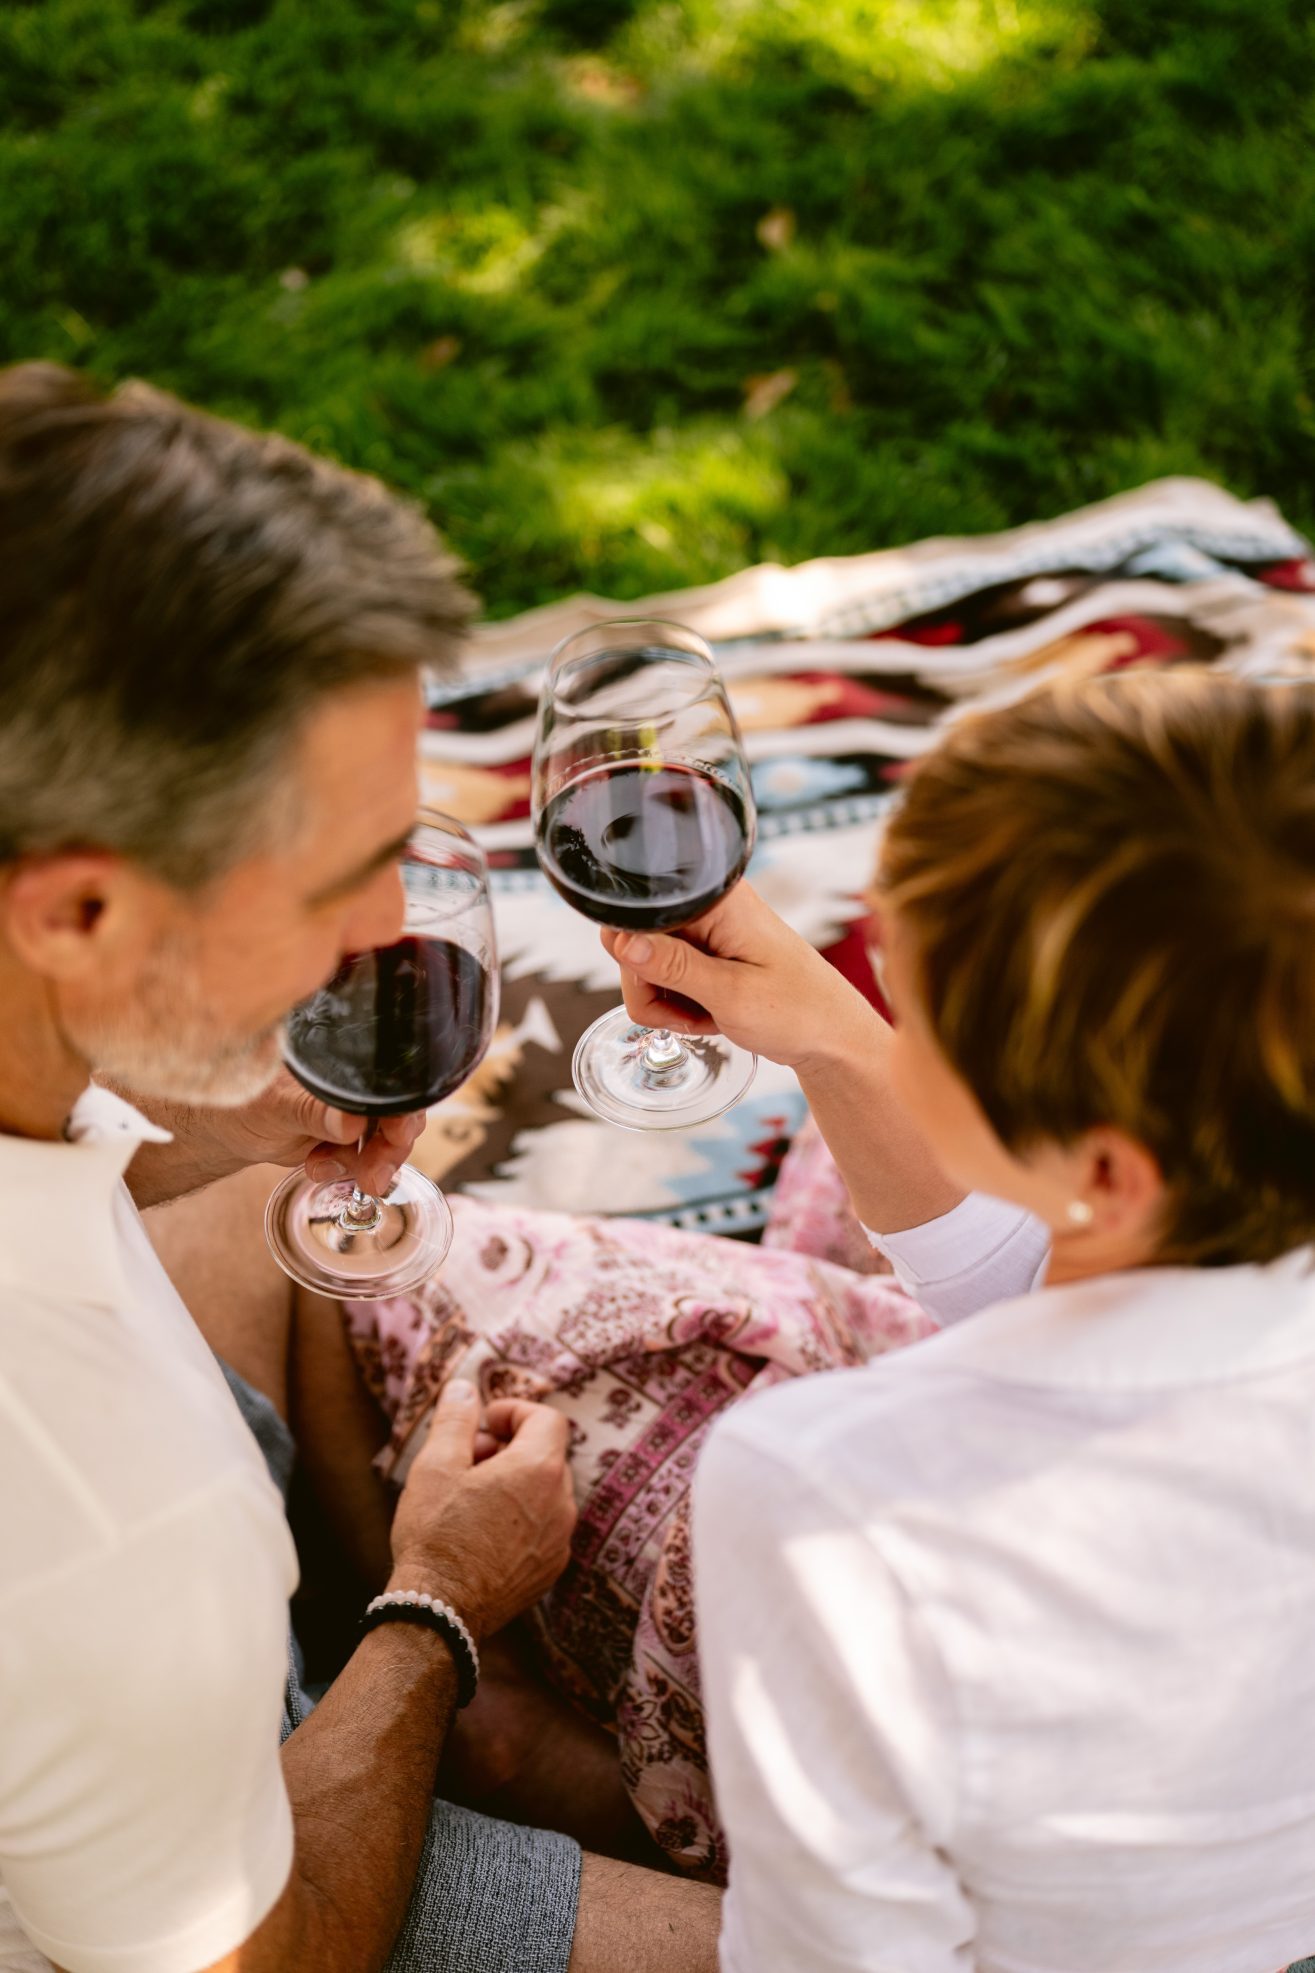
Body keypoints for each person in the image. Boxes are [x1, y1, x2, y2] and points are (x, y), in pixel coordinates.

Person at [0, 361, 719, 1973]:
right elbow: (282, 1953)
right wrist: (437, 1609)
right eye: (341, 871)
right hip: (222, 1901)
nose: (394, 926)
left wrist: (217, 1118)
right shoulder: (93, 1510)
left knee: (271, 1197)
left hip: (115, 1703)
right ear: (76, 911)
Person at [601, 669, 1315, 1970]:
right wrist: (831, 1032)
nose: (883, 1013)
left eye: (916, 1014)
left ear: (1103, 1173)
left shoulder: (825, 1493)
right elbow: (1096, 1279)